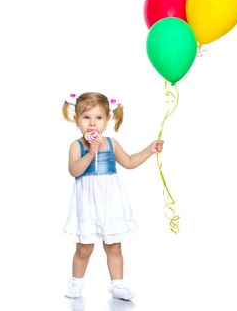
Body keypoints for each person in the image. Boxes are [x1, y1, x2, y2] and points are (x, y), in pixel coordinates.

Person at [62, 92, 164, 300]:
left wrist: (149, 150)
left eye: (98, 118)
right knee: (84, 247)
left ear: (107, 120)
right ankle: (76, 283)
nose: (92, 123)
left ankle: (118, 284)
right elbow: (74, 171)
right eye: (86, 117)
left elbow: (129, 162)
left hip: (111, 201)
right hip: (88, 202)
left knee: (114, 245)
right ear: (76, 120)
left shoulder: (112, 143)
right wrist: (91, 152)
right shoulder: (77, 145)